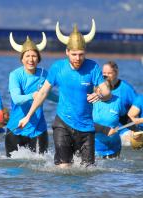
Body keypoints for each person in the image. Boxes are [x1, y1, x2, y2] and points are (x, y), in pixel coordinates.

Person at [18, 19, 111, 168]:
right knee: (64, 169)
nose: (78, 58)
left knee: (88, 170)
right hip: (63, 125)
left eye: (81, 54)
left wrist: (100, 95)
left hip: (86, 128)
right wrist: (28, 116)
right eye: (74, 54)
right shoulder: (58, 68)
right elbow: (42, 93)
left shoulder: (93, 67)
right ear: (67, 52)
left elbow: (107, 92)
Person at [5, 32, 58, 157]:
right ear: (22, 59)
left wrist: (66, 100)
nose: (31, 59)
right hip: (16, 128)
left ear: (38, 58)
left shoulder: (44, 74)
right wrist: (33, 95)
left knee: (39, 168)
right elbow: (16, 99)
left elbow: (49, 95)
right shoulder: (15, 75)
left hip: (38, 129)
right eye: (27, 56)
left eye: (34, 56)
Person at [93, 79, 124, 158]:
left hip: (114, 148)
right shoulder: (89, 101)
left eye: (104, 87)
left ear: (110, 88)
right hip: (93, 148)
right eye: (98, 87)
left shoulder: (118, 101)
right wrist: (105, 130)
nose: (100, 90)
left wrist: (136, 130)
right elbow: (84, 123)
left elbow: (125, 119)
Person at [102, 61, 137, 125]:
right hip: (103, 126)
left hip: (122, 124)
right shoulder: (98, 88)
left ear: (116, 73)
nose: (106, 75)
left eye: (109, 73)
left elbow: (138, 106)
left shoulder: (126, 88)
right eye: (104, 73)